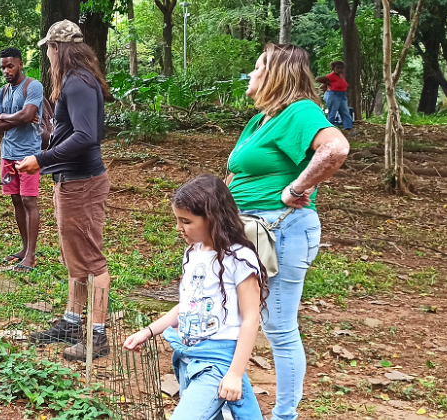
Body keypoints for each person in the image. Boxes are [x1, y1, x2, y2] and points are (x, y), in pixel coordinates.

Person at [226, 44, 349, 420]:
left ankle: (284, 415)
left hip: (282, 232)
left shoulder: (299, 111)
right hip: (248, 232)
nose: (251, 73)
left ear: (276, 74)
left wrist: (296, 188)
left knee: (278, 326)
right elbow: (237, 173)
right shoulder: (260, 120)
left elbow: (336, 148)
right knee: (236, 315)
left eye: (258, 66)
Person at [123, 175, 267, 420]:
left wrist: (234, 374)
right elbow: (187, 307)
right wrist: (148, 331)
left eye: (186, 221)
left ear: (212, 218)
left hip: (218, 363)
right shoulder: (193, 253)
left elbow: (251, 319)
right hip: (190, 357)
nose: (179, 228)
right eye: (178, 220)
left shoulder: (239, 259)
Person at [17, 20, 113, 361]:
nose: (47, 53)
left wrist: (41, 159)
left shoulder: (78, 83)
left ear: (58, 49)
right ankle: (72, 322)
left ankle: (98, 336)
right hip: (70, 181)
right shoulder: (78, 81)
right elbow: (75, 132)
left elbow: (87, 137)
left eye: (49, 48)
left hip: (83, 184)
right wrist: (47, 136)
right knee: (75, 257)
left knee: (92, 259)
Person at [0, 47, 44, 272]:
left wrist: (5, 118)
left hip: (29, 153)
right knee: (15, 200)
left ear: (20, 64)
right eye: (3, 67)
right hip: (8, 154)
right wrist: (16, 118)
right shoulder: (2, 92)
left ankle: (31, 256)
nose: (6, 71)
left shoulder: (33, 86)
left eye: (10, 66)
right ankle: (23, 249)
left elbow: (28, 115)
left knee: (29, 201)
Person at [315, 61, 353, 130]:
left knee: (345, 112)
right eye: (337, 68)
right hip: (334, 95)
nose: (339, 70)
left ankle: (348, 128)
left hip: (343, 95)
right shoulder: (331, 76)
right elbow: (318, 79)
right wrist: (327, 82)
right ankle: (329, 128)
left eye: (341, 68)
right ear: (333, 68)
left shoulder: (342, 75)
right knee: (332, 113)